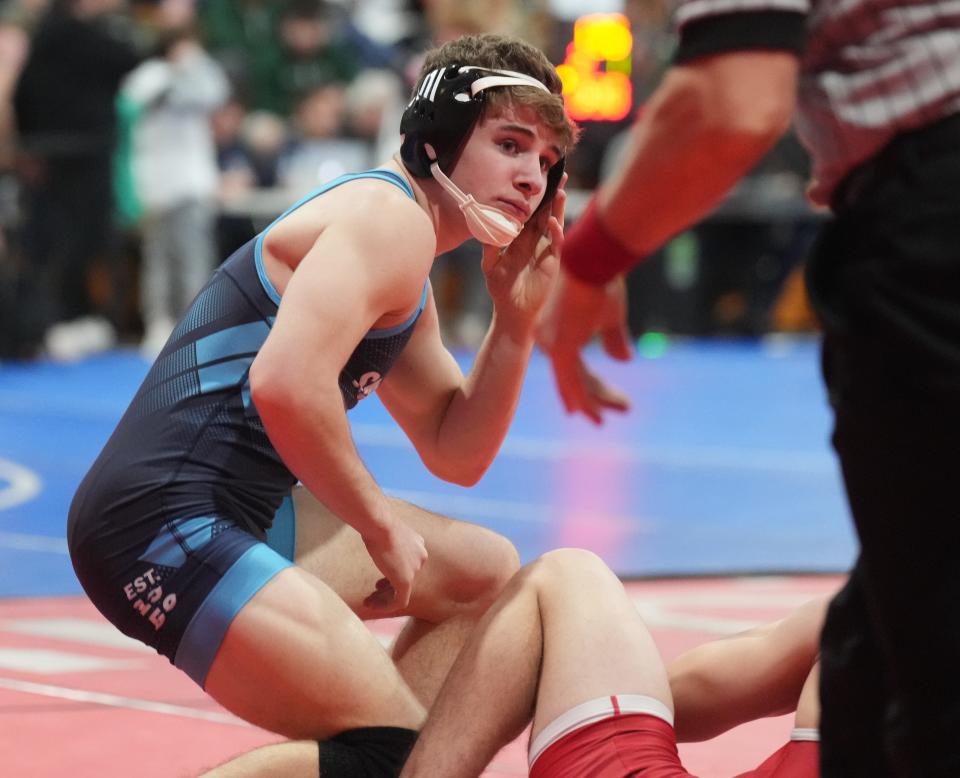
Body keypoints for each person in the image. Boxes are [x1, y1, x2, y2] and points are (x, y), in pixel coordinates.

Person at [67, 32, 576, 776]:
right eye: (510, 143)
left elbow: (456, 448)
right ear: (438, 135)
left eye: (545, 161)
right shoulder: (388, 221)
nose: (531, 178)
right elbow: (286, 385)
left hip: (230, 503)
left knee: (481, 575)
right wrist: (376, 523)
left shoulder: (406, 258)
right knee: (390, 756)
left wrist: (516, 322)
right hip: (162, 520)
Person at [537, 3, 960, 775]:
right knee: (890, 635)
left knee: (918, 646)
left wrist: (588, 261)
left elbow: (734, 99)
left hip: (930, 209)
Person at [209, 548, 826, 777]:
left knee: (564, 578)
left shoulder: (877, 627)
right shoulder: (890, 632)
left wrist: (514, 683)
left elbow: (722, 681)